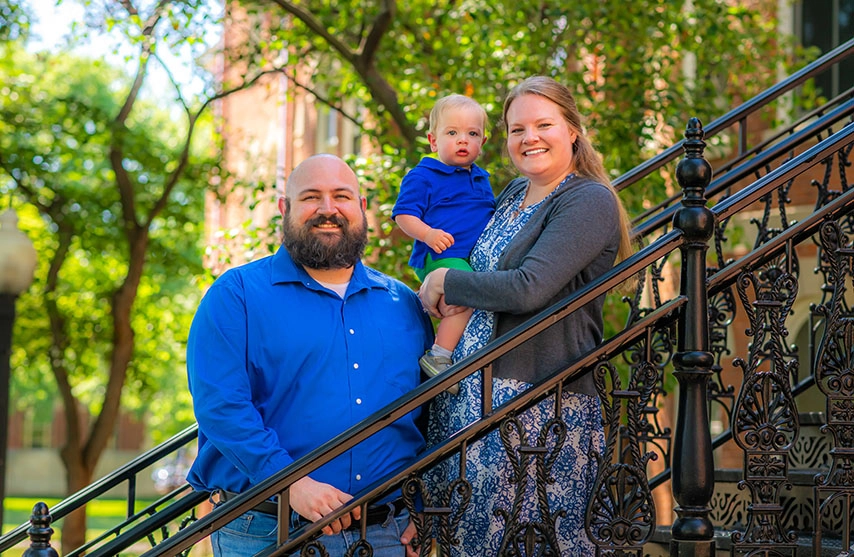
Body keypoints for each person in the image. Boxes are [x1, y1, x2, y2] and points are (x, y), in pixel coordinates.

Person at [418, 76, 634, 555]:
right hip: (472, 397)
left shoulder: (587, 200)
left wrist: (446, 283)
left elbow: (529, 287)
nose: (529, 138)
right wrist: (434, 275)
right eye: (517, 129)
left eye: (543, 125)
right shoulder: (514, 193)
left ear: (572, 130)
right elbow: (479, 264)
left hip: (536, 408)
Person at [186, 154, 434, 557]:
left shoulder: (403, 303)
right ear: (285, 209)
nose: (328, 209)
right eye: (311, 197)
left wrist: (425, 505)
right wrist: (290, 483)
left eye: (341, 196)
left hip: (388, 532)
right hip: (270, 531)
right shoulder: (236, 296)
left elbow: (429, 413)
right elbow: (221, 407)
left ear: (362, 208)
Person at [392, 94, 495, 390]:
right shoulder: (424, 175)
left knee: (471, 293)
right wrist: (428, 233)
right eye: (452, 133)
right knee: (464, 293)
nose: (463, 140)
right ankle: (439, 356)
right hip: (440, 255)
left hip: (466, 260)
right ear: (433, 141)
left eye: (472, 134)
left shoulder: (481, 178)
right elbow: (403, 215)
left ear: (482, 143)